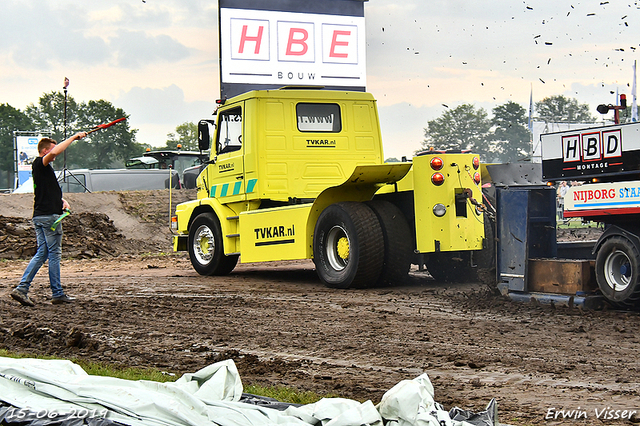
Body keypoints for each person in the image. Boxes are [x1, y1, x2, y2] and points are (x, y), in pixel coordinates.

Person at [10, 131, 87, 307]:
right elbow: (54, 152)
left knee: (42, 253)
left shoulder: (43, 170)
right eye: (52, 150)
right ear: (44, 151)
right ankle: (57, 293)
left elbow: (46, 192)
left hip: (41, 216)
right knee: (53, 255)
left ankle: (22, 288)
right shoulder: (40, 162)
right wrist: (74, 137)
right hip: (48, 219)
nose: (55, 153)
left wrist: (61, 201)